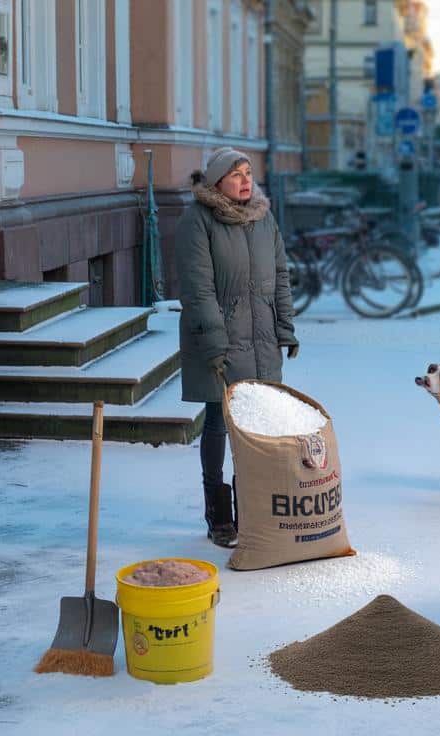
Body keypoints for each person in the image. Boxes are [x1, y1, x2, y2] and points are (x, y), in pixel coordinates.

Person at [178, 147, 298, 548]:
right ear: (217, 181)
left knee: (256, 427)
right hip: (220, 342)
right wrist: (215, 345)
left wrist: (285, 327)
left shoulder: (263, 217)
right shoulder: (198, 221)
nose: (245, 180)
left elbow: (280, 275)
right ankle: (218, 514)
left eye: (248, 172)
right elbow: (198, 289)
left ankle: (250, 509)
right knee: (218, 422)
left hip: (261, 341)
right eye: (235, 174)